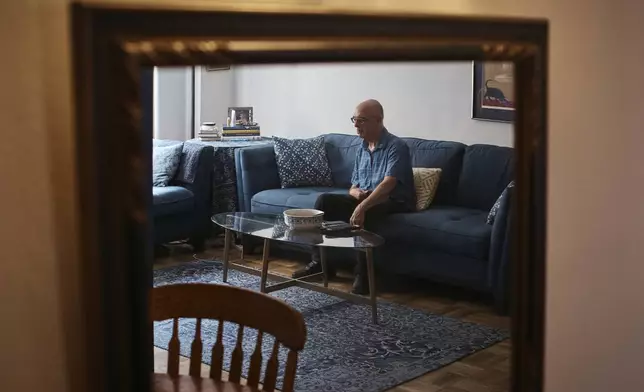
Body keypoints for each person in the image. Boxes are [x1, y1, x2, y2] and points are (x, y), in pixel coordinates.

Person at [291, 99, 415, 294]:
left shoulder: (396, 146)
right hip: (366, 199)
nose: (356, 125)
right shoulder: (362, 148)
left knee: (369, 212)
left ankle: (364, 275)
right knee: (324, 201)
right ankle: (321, 264)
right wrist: (357, 194)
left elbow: (389, 183)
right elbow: (353, 186)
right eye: (354, 119)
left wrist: (362, 206)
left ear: (378, 120)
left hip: (392, 200)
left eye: (361, 120)